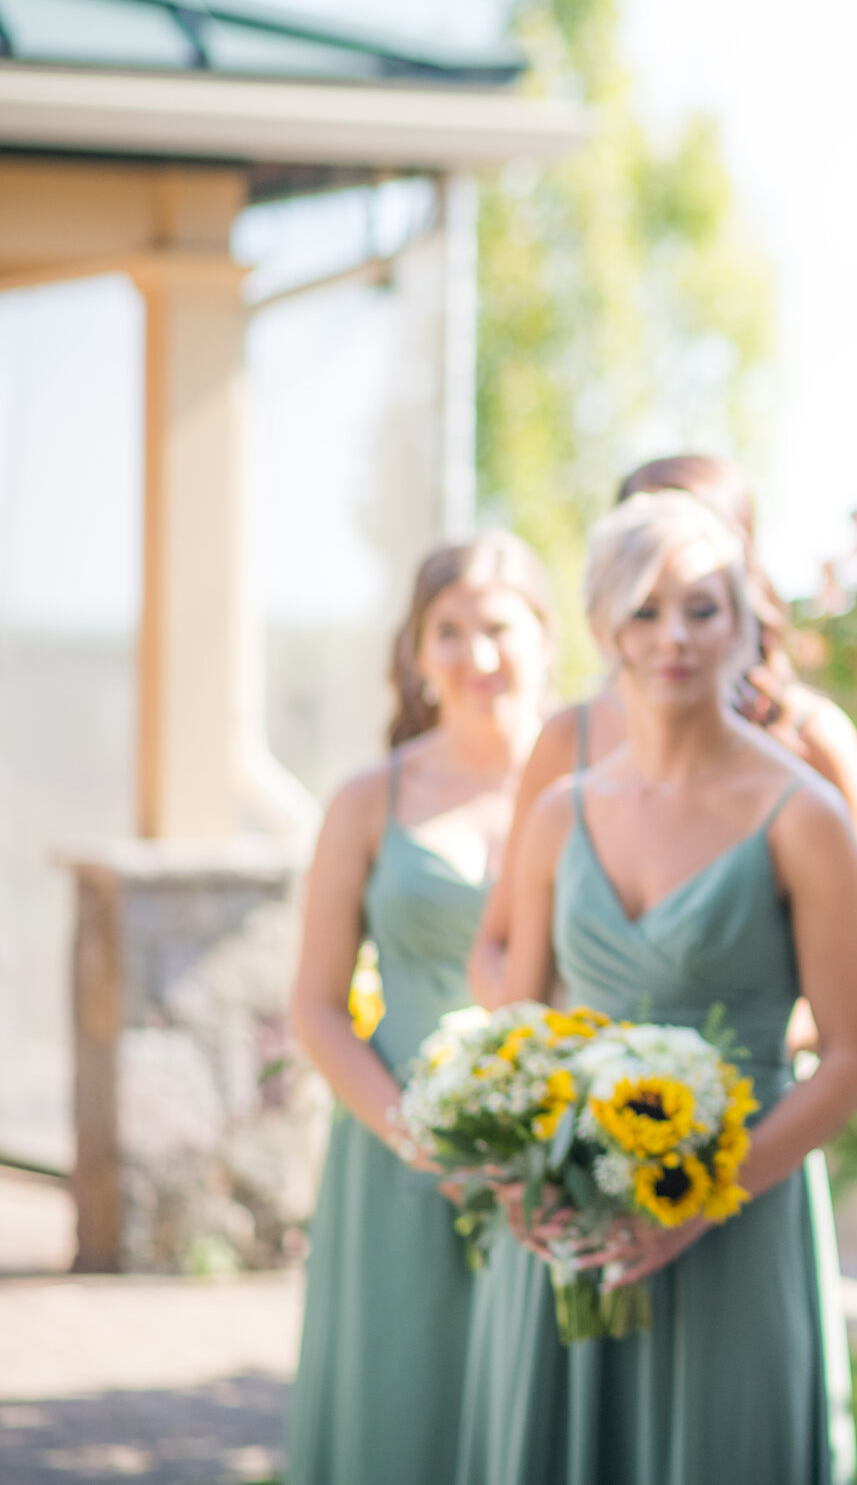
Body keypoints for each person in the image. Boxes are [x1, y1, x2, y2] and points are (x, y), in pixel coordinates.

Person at [455, 493, 857, 1485]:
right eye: (645, 610)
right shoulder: (561, 810)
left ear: (740, 621)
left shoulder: (802, 814)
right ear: (605, 626)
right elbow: (519, 1024)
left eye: (702, 607)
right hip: (573, 1217)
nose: (674, 637)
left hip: (740, 1210)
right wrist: (522, 1178)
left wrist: (702, 1199)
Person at [285, 532, 555, 1485]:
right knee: (402, 1413)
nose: (476, 656)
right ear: (416, 650)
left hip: (557, 1151)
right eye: (448, 630)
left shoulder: (596, 786)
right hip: (398, 1150)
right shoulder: (369, 797)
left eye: (498, 627)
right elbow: (316, 1006)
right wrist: (423, 1140)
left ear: (547, 637)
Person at [468, 453, 857, 1011]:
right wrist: (534, 1067)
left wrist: (721, 1071)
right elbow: (500, 942)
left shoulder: (813, 740)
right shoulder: (566, 742)